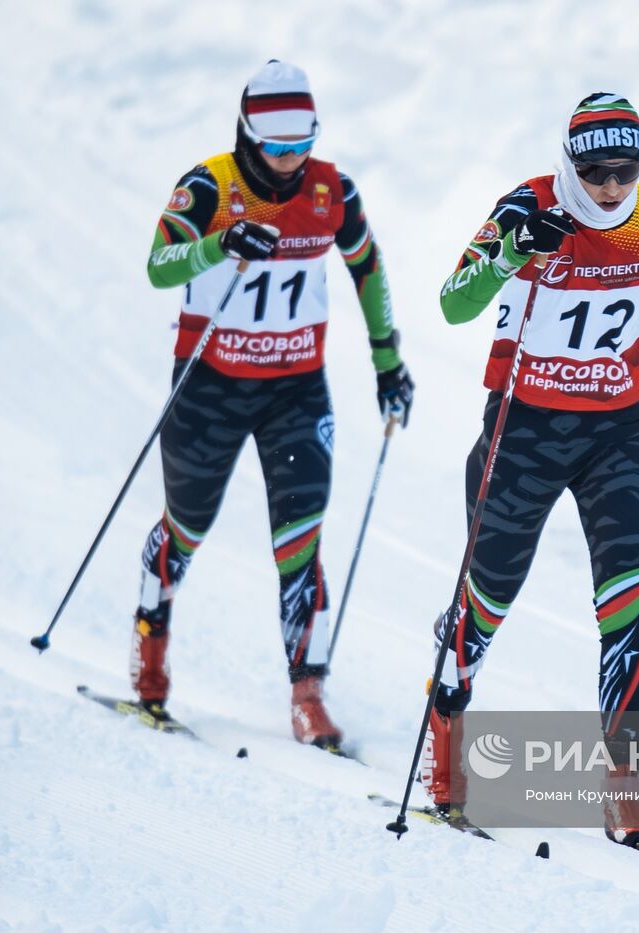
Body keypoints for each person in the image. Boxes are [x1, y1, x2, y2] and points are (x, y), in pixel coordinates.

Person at [424, 92, 639, 851]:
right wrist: (514, 252)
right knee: (489, 592)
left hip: (616, 430)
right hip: (525, 427)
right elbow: (453, 304)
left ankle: (624, 787)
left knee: (630, 594)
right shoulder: (526, 205)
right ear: (569, 162)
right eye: (594, 169)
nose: (611, 185)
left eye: (626, 169)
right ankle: (445, 727)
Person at [131, 60, 414, 751]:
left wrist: (388, 362)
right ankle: (150, 643)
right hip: (210, 384)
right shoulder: (209, 185)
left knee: (300, 535)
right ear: (247, 134)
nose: (289, 162)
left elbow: (367, 266)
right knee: (188, 525)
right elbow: (158, 265)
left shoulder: (331, 188)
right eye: (275, 148)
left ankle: (306, 691)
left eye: (301, 146)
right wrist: (220, 243)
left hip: (295, 387)